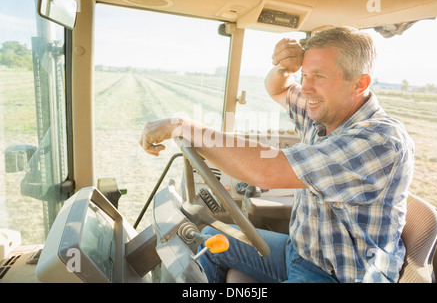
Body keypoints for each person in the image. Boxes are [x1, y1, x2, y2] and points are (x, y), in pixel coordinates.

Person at [139, 26, 415, 283]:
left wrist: (181, 126)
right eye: (304, 75)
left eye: (319, 76)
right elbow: (278, 88)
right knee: (209, 239)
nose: (305, 88)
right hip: (302, 251)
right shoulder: (325, 115)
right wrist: (285, 68)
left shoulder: (379, 140)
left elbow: (265, 170)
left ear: (359, 84)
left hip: (340, 275)